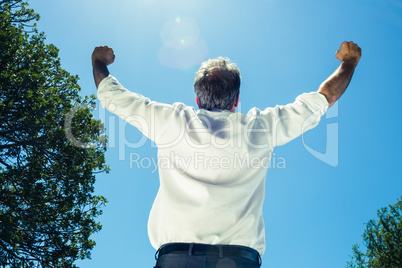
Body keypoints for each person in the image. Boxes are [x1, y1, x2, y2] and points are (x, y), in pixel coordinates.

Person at [92, 41, 361, 268]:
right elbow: (324, 98)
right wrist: (348, 62)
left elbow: (112, 95)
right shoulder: (260, 127)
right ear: (236, 100)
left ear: (197, 99)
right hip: (239, 259)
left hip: (177, 259)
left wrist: (99, 61)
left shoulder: (171, 122)